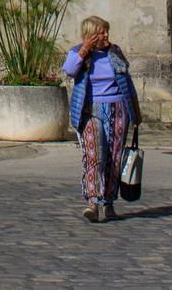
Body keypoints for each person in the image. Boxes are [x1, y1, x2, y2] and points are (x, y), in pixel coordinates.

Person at [62, 15, 141, 222]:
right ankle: (93, 201)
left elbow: (128, 82)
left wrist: (136, 110)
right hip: (91, 109)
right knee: (94, 154)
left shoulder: (114, 53)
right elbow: (69, 70)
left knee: (114, 157)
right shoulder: (79, 53)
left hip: (117, 107)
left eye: (107, 31)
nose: (106, 36)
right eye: (102, 32)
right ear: (90, 35)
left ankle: (109, 202)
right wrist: (84, 50)